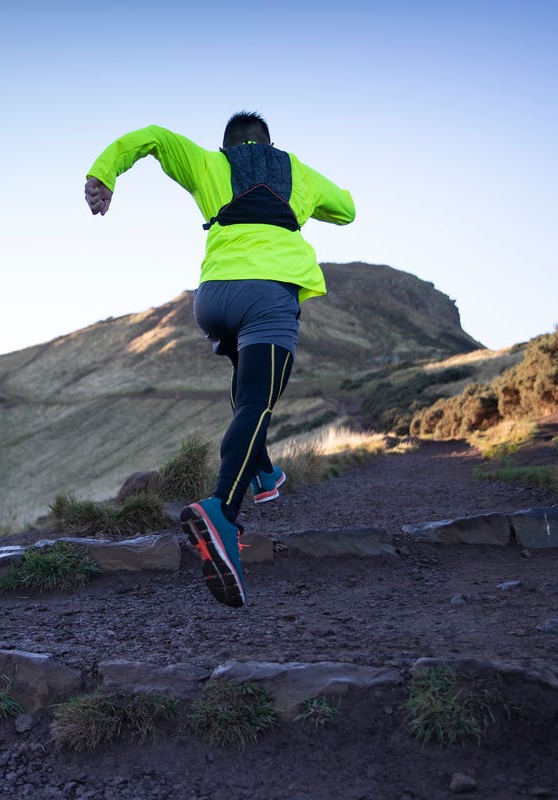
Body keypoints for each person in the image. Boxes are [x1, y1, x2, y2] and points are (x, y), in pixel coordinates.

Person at [84, 111, 355, 608]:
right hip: (269, 294)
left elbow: (154, 138)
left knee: (246, 383)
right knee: (257, 401)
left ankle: (264, 470)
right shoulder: (298, 171)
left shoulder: (209, 163)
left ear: (228, 144)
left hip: (213, 298)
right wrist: (305, 201)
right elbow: (348, 210)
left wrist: (104, 173)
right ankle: (223, 511)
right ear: (269, 144)